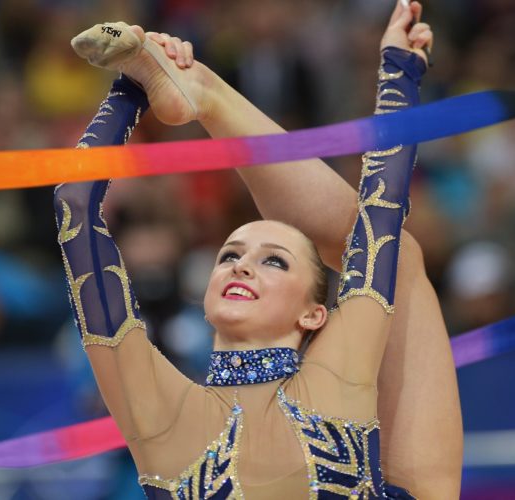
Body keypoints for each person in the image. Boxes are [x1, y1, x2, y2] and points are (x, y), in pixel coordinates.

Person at [58, 2, 452, 497]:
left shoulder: (333, 373)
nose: (240, 266)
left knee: (397, 253)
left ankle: (203, 91)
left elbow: (382, 213)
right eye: (229, 255)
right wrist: (136, 72)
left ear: (315, 315)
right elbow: (75, 204)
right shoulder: (165, 409)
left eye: (273, 261)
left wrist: (131, 87)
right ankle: (200, 90)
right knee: (395, 253)